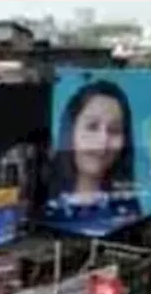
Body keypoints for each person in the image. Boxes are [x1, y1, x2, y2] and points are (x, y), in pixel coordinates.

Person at [46, 79, 142, 229]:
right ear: (70, 131)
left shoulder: (127, 213)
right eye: (92, 127)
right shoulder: (42, 203)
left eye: (114, 130)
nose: (103, 141)